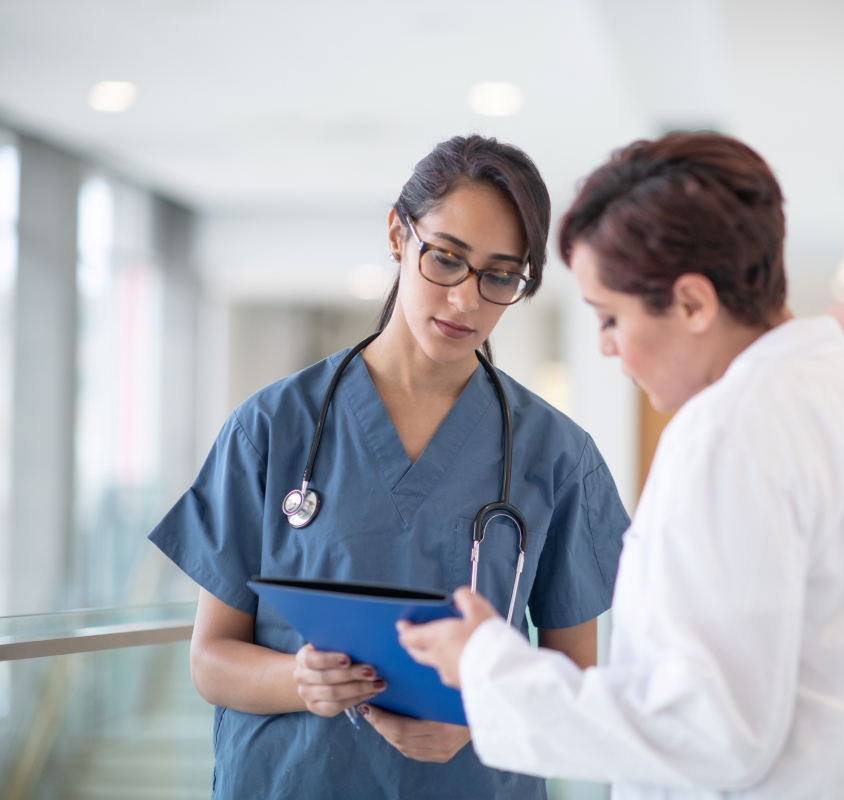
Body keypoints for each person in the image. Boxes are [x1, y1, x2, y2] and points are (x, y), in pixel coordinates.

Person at [395, 132, 844, 798]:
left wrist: (488, 666)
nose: (606, 347)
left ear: (692, 303)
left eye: (610, 317)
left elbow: (707, 732)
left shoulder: (730, 431)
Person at [148, 135, 629, 800]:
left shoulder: (558, 455)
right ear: (399, 235)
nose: (465, 301)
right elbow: (210, 661)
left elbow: (574, 683)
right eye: (446, 259)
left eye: (499, 276)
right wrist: (301, 681)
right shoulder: (272, 428)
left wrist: (486, 717)